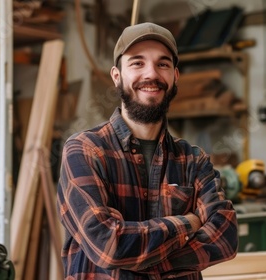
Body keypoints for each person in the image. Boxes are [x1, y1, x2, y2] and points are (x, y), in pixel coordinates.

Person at [56, 22, 238, 279]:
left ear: (175, 76)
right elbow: (109, 247)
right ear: (117, 76)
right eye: (137, 63)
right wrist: (188, 222)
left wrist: (138, 260)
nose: (151, 74)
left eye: (162, 64)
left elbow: (225, 239)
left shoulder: (193, 160)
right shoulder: (84, 150)